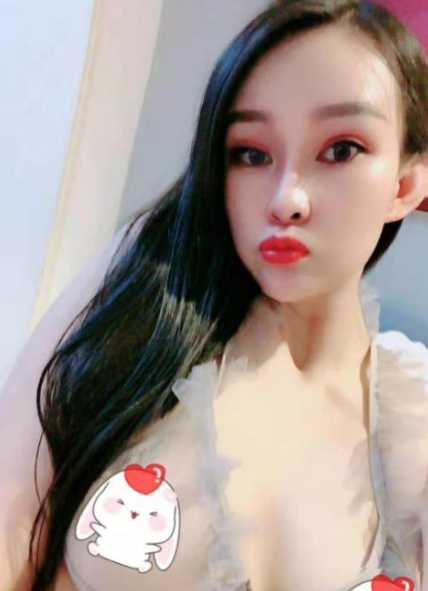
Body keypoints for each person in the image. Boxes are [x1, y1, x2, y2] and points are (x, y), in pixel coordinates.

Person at [2, 0, 428, 590]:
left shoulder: (412, 422)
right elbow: (9, 531)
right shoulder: (147, 292)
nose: (286, 198)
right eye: (251, 154)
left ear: (405, 184)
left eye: (341, 149)